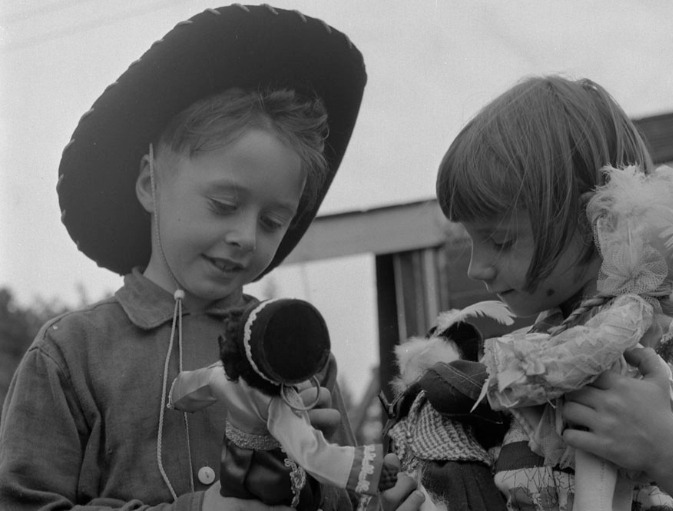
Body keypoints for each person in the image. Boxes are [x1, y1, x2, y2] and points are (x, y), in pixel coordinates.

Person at [0, 5, 422, 511]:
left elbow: (339, 496)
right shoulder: (70, 354)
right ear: (149, 182)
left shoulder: (301, 355)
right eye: (224, 205)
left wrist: (346, 494)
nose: (245, 236)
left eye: (272, 221)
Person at [434, 75, 673, 510]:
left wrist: (665, 450)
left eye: (500, 240)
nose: (476, 268)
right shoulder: (524, 365)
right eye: (470, 241)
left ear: (596, 216)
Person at [169, 298, 397, 510]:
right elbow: (313, 452)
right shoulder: (279, 406)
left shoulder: (220, 375)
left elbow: (190, 386)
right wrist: (371, 471)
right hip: (268, 473)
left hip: (232, 465)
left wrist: (174, 399)